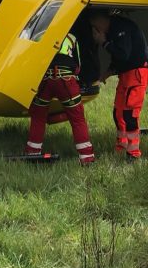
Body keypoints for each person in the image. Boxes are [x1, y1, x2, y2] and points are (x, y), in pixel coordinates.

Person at [25, 25, 95, 165]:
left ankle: (32, 154)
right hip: (66, 81)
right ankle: (86, 158)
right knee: (77, 119)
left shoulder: (40, 34)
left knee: (38, 116)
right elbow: (78, 66)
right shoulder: (72, 38)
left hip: (45, 81)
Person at [90, 11, 148, 160]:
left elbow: (123, 54)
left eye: (94, 28)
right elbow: (119, 59)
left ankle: (133, 153)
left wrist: (103, 42)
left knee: (129, 114)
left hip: (137, 73)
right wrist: (109, 72)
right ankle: (121, 146)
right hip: (126, 74)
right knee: (118, 112)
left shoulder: (121, 27)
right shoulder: (114, 29)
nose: (95, 32)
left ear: (99, 23)